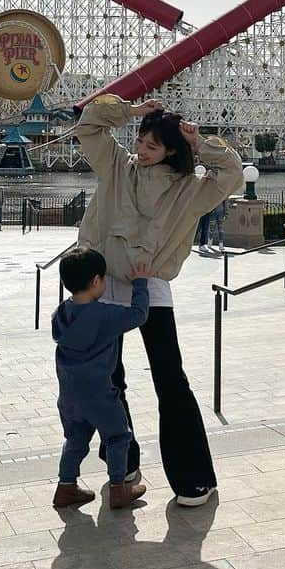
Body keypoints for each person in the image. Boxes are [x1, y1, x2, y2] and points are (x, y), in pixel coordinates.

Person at [74, 94, 243, 507]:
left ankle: (191, 478)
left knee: (170, 380)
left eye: (152, 146)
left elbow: (232, 174)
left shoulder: (189, 189)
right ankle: (123, 468)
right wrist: (127, 111)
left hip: (150, 288)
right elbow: (89, 127)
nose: (141, 151)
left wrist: (199, 141)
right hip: (102, 285)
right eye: (140, 141)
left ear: (171, 150)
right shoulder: (116, 167)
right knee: (109, 380)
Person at [52, 248, 149, 510]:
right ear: (96, 281)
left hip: (69, 395)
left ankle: (65, 487)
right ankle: (119, 489)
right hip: (100, 395)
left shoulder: (60, 314)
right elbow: (139, 315)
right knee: (118, 436)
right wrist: (140, 282)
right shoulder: (105, 315)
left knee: (75, 440)